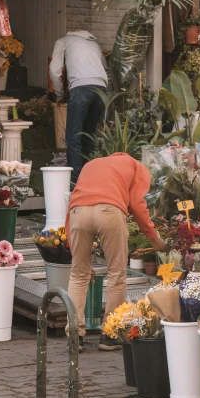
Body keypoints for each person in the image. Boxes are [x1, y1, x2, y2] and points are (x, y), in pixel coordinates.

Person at [65, 152, 167, 352]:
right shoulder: (137, 167)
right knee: (116, 273)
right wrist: (153, 236)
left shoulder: (92, 163)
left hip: (78, 213)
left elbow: (71, 206)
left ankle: (75, 337)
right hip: (110, 212)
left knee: (78, 274)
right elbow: (137, 204)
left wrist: (74, 252)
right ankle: (110, 335)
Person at [49, 31, 108, 184]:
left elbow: (54, 71)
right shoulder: (94, 43)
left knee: (74, 135)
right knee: (89, 135)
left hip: (81, 87)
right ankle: (89, 178)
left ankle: (75, 182)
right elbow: (105, 68)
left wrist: (59, 94)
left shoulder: (62, 41)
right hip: (101, 88)